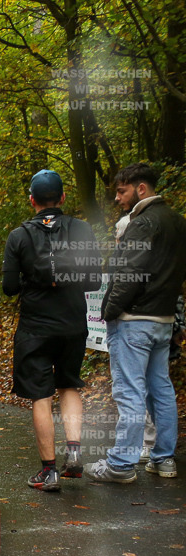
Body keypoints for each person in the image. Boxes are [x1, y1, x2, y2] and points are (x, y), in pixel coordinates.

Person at [1, 170, 102, 492]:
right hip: (73, 324)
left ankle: (49, 471)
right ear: (62, 198)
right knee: (70, 385)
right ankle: (73, 454)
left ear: (32, 200)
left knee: (41, 395)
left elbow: (9, 288)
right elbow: (94, 282)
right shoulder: (83, 230)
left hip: (36, 328)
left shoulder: (19, 236)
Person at [85, 163, 186, 482]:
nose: (117, 198)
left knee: (129, 390)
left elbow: (128, 274)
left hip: (133, 320)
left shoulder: (142, 224)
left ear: (141, 189)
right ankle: (164, 458)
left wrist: (110, 310)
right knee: (161, 388)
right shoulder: (178, 222)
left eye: (121, 190)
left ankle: (121, 464)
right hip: (163, 319)